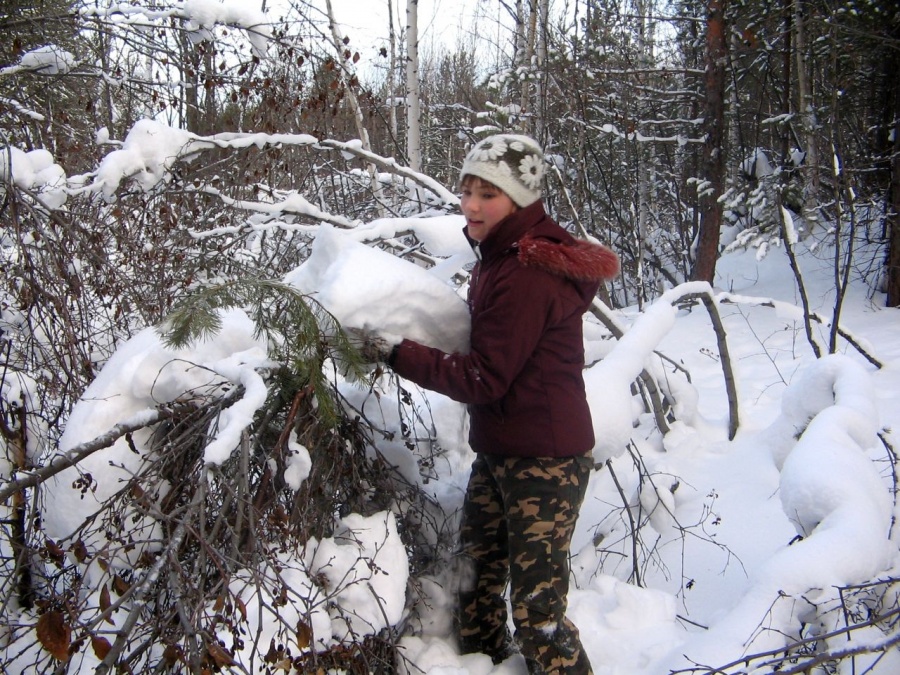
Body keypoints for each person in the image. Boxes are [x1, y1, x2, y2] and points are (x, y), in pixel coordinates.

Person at [352, 134, 619, 674]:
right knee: (476, 580)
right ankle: (483, 665)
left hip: (544, 460)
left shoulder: (525, 271)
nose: (470, 204)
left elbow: (485, 377)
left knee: (538, 612)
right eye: (467, 189)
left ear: (520, 201)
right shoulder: (499, 257)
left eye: (489, 194)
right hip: (503, 450)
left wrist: (397, 352)